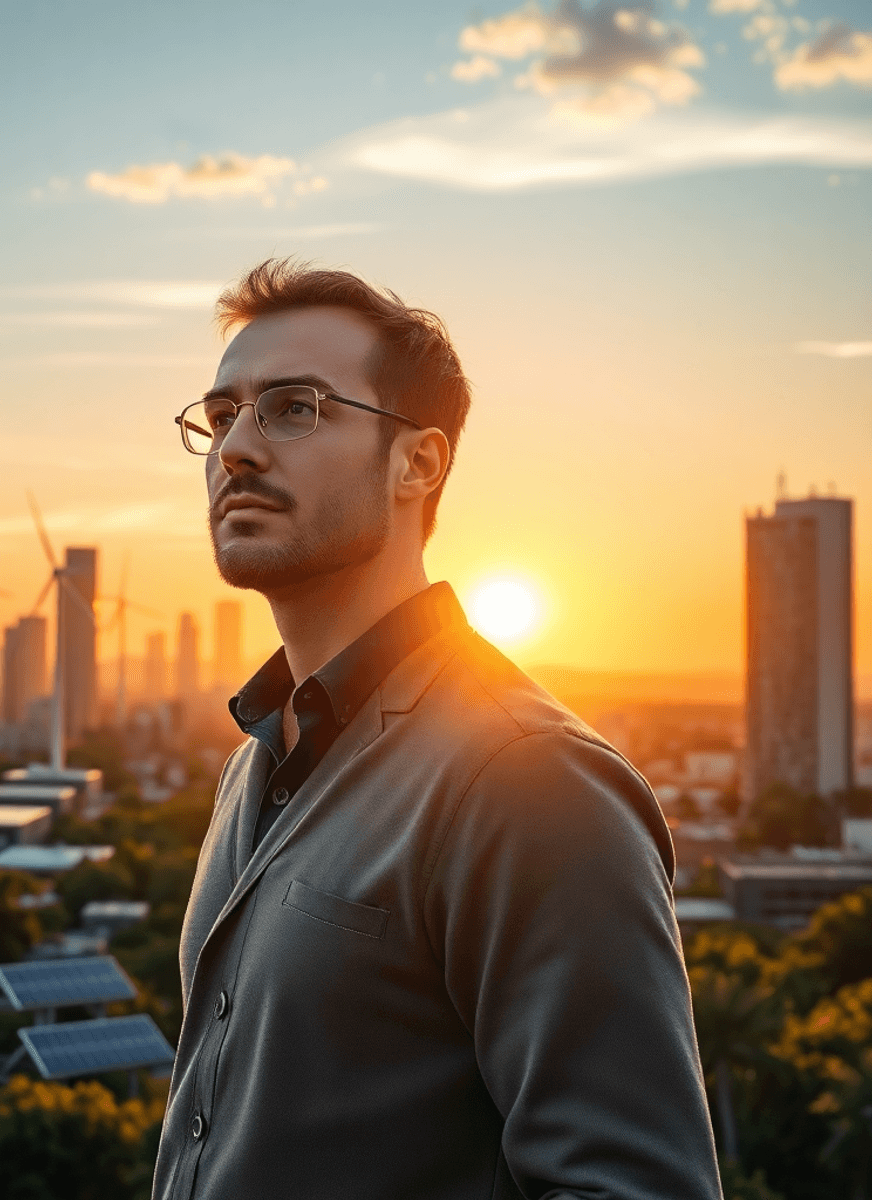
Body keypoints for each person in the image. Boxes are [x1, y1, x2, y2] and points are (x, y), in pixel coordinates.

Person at [152, 260, 722, 1200]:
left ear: (418, 463)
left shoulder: (528, 780)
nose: (237, 449)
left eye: (294, 409)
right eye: (221, 418)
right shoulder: (254, 763)